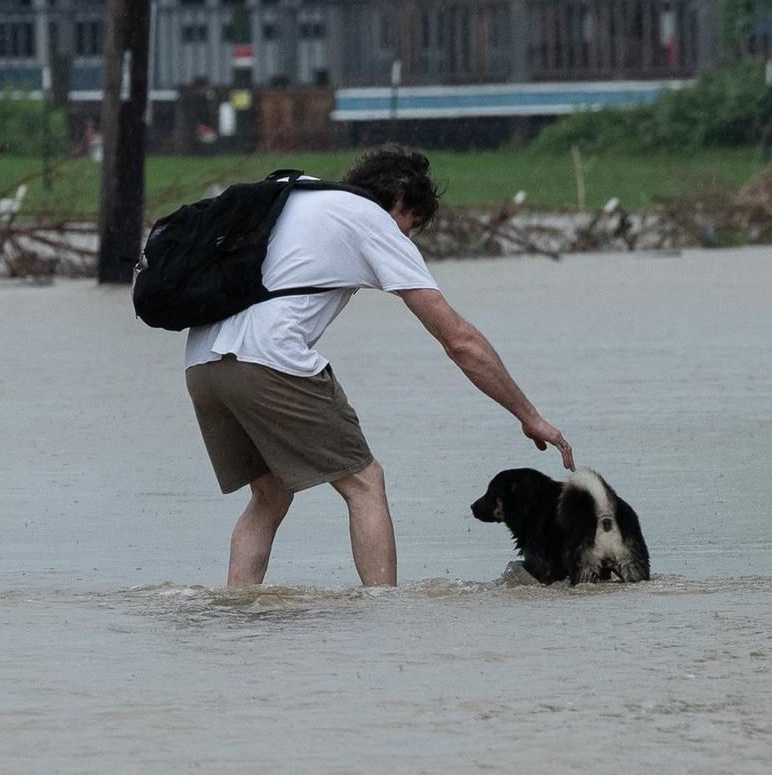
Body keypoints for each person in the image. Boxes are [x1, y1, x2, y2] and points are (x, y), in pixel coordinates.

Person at [184, 144, 574, 587]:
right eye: (411, 226)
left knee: (270, 493)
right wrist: (529, 416)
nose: (406, 238)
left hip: (203, 363)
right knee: (365, 482)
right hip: (268, 360)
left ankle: (238, 608)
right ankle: (384, 617)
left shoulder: (294, 193)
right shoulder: (370, 219)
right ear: (402, 197)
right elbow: (459, 341)